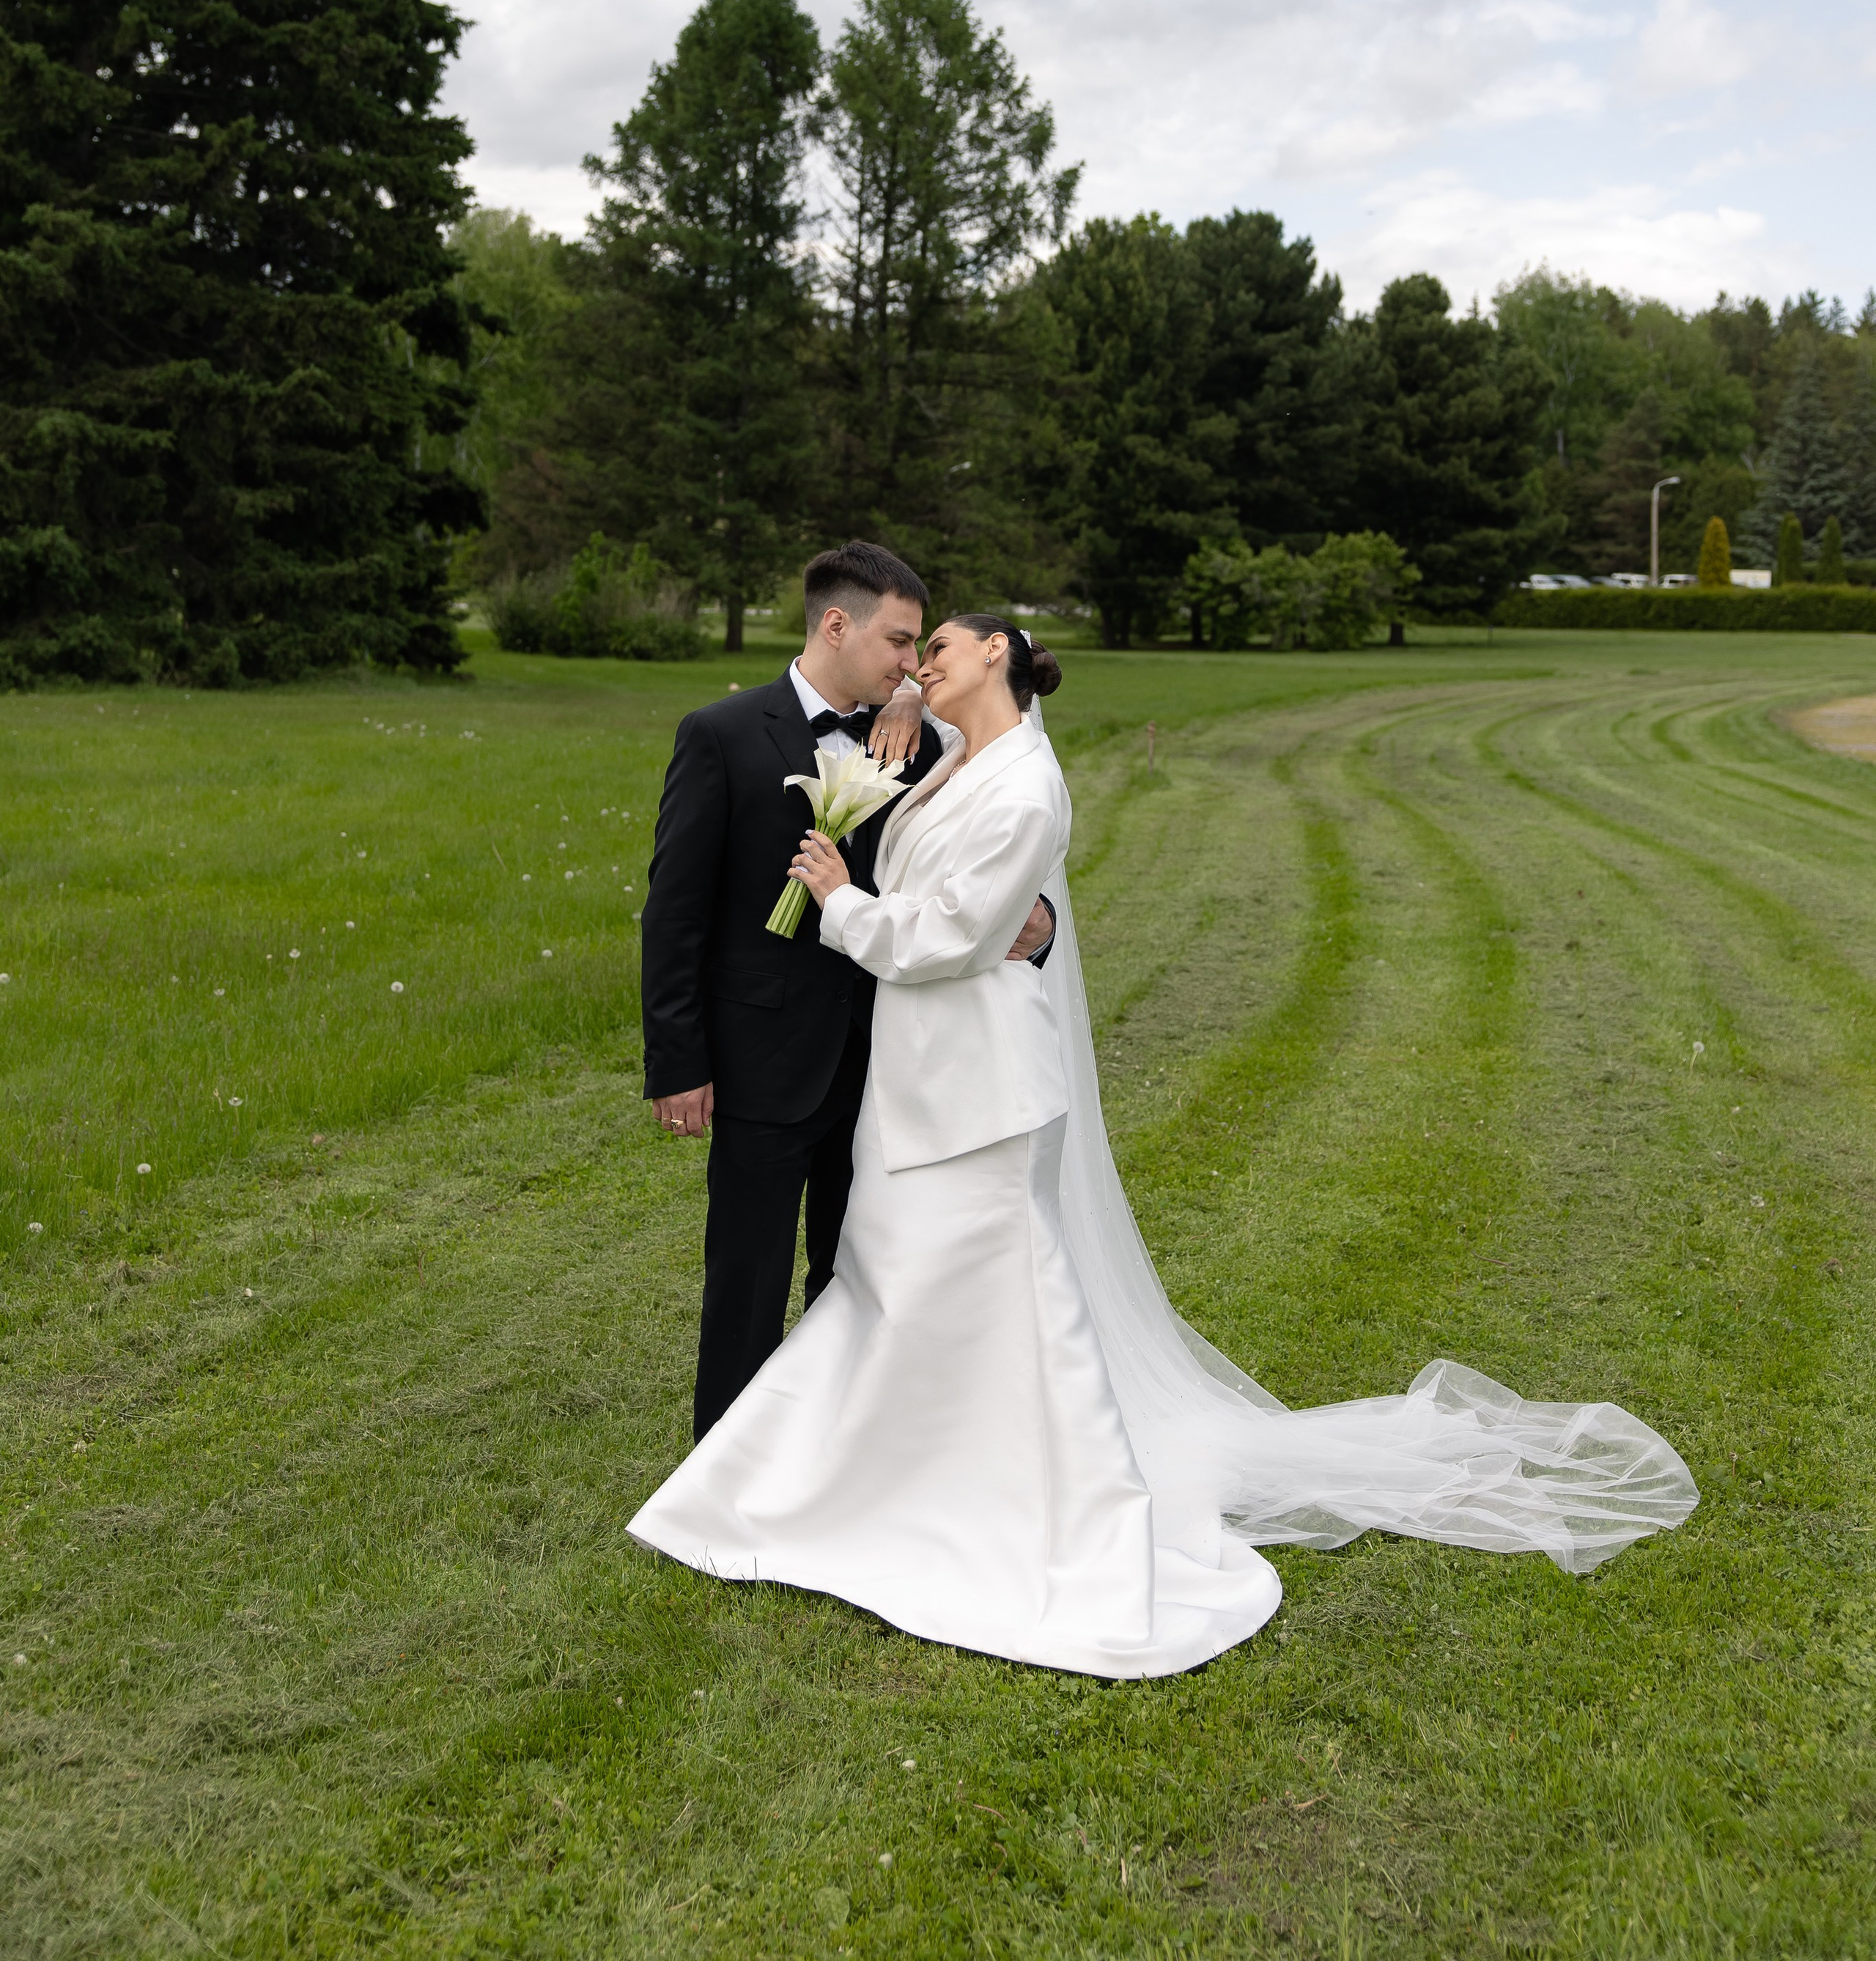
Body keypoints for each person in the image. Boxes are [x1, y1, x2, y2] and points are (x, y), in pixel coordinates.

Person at [631, 617, 1699, 1680]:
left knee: (990, 1306)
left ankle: (1022, 1513)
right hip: (917, 1082)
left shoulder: (1029, 784)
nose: (920, 663)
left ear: (1000, 653)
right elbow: (972, 882)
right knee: (884, 1288)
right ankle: (855, 1477)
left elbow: (953, 937)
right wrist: (929, 750)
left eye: (940, 644)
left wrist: (839, 904)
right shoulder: (961, 759)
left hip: (980, 1094)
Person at [640, 542, 1054, 1439]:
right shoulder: (719, 735)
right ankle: (726, 1461)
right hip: (760, 1063)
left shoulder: (919, 743)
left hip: (885, 1065)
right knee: (746, 1275)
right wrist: (679, 1063)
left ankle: (831, 1452)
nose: (912, 665)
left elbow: (982, 846)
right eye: (900, 644)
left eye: (920, 650)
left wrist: (1043, 919)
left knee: (857, 1272)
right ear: (836, 624)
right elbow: (674, 917)